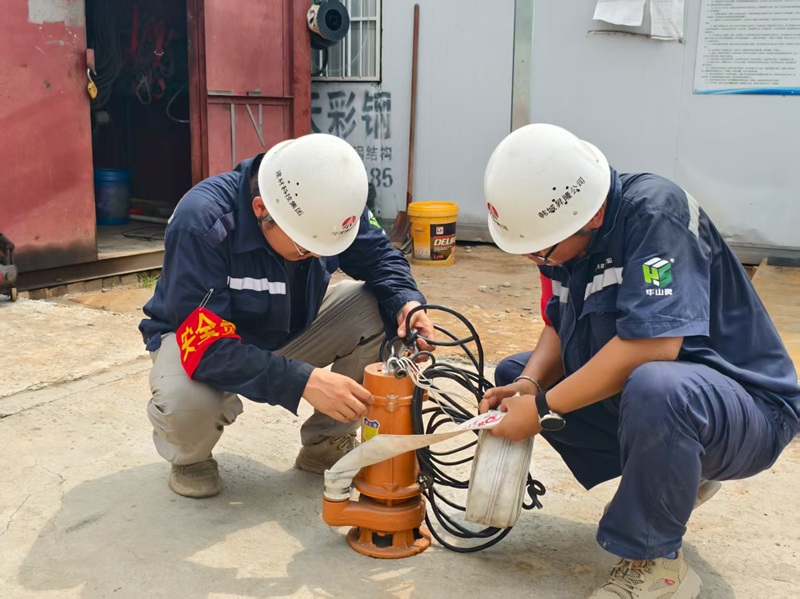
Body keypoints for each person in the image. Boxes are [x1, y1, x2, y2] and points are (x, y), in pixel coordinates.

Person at [479, 123, 799, 598]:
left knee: (654, 386)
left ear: (585, 217)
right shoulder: (567, 247)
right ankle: (672, 475)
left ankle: (656, 564)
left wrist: (544, 410)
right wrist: (529, 386)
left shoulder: (655, 214)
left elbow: (655, 347)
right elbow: (557, 324)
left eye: (539, 251)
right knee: (516, 376)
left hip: (746, 408)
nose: (535, 261)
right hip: (667, 398)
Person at [139, 133, 434, 498]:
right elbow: (207, 347)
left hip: (289, 328)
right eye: (304, 245)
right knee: (186, 404)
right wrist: (305, 381)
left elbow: (380, 258)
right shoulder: (201, 221)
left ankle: (325, 443)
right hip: (200, 341)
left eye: (323, 247)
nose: (314, 254)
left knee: (376, 305)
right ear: (262, 209)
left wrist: (406, 301)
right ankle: (190, 457)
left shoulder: (329, 206)